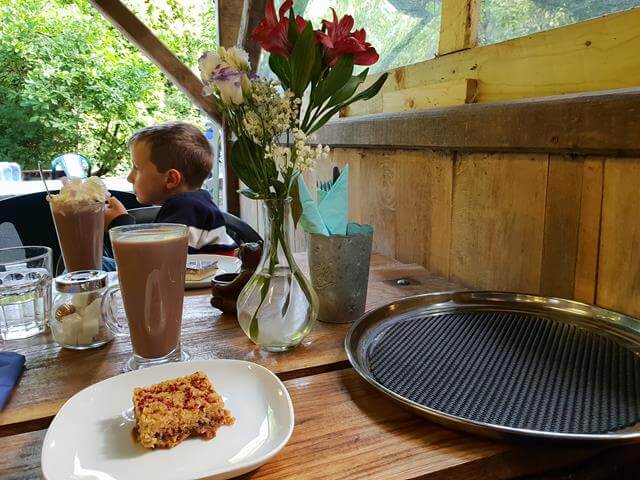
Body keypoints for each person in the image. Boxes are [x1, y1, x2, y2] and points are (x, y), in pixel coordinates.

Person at [104, 122, 237, 262]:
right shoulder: (193, 203)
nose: (129, 178)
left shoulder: (187, 208)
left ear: (171, 179)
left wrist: (119, 223)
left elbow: (154, 262)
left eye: (136, 168)